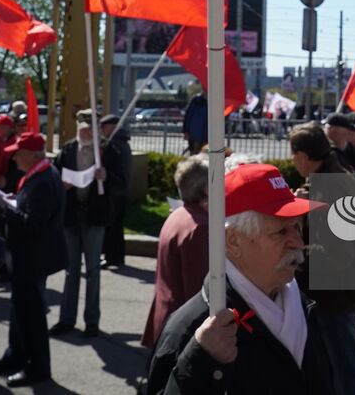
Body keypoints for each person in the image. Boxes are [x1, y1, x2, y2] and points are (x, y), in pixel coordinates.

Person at [144, 163, 335, 394]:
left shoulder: (304, 304)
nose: (296, 241)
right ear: (232, 241)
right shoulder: (192, 329)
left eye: (296, 226)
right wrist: (200, 360)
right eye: (280, 232)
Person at [290, 123, 355, 395]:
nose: (292, 161)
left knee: (344, 369)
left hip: (336, 292)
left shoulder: (329, 188)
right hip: (343, 287)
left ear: (302, 156)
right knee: (337, 365)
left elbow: (336, 253)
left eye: (293, 155)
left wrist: (296, 255)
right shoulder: (329, 177)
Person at [0, 132, 65, 387]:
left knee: (30, 316)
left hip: (31, 258)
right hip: (28, 258)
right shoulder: (42, 175)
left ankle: (37, 367)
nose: (13, 157)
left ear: (32, 155)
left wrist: (5, 205)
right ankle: (16, 357)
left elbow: (33, 224)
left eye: (18, 153)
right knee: (21, 312)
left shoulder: (42, 181)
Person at [51, 123, 113, 338]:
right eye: (82, 127)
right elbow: (54, 175)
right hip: (70, 217)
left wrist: (106, 178)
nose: (85, 132)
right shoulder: (67, 149)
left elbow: (121, 181)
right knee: (71, 270)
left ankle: (92, 322)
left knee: (93, 270)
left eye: (90, 128)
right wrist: (61, 185)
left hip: (94, 218)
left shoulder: (106, 151)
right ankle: (66, 319)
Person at [142, 156, 210, 348]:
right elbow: (199, 291)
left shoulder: (179, 215)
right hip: (183, 330)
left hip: (168, 320)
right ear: (206, 189)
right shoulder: (200, 227)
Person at [101, 113, 134, 268]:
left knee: (112, 226)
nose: (102, 130)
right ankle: (116, 257)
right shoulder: (122, 143)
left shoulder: (114, 145)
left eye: (104, 126)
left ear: (113, 127)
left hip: (115, 190)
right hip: (121, 189)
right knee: (116, 226)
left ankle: (112, 257)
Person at [183, 86, 209, 154]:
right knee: (195, 153)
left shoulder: (215, 102)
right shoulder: (196, 100)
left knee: (205, 155)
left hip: (208, 134)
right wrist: (186, 131)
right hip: (195, 134)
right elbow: (188, 116)